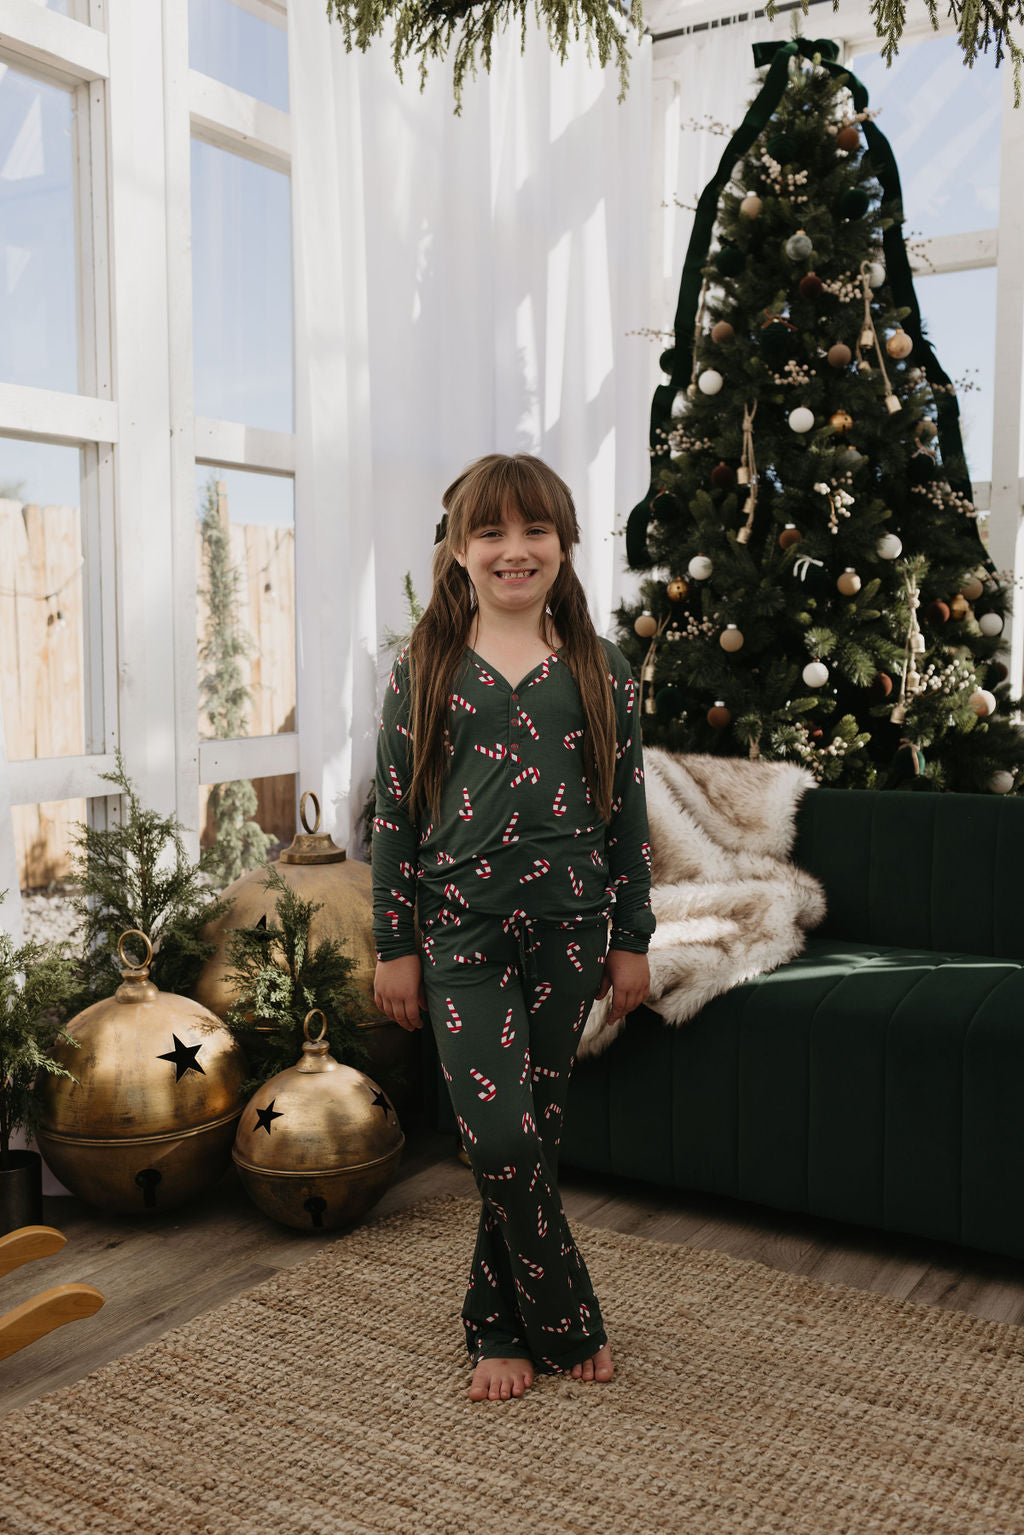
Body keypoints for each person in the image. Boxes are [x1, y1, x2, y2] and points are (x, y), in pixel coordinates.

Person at [372, 453, 653, 1403]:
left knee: (534, 1133)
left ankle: (496, 1324)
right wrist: (394, 944)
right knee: (497, 1138)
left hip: (572, 933)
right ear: (458, 553)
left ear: (566, 547)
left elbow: (627, 815)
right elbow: (392, 819)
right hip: (461, 938)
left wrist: (632, 935)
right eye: (491, 532)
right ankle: (567, 1313)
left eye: (535, 530)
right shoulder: (427, 669)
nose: (514, 549)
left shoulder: (600, 668)